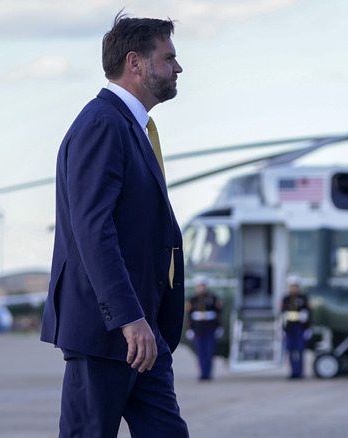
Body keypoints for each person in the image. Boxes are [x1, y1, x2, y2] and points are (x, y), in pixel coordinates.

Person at [40, 12, 188, 438]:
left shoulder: (130, 127)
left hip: (144, 334)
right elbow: (93, 231)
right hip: (109, 333)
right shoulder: (103, 125)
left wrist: (144, 322)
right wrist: (127, 318)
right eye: (168, 58)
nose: (178, 68)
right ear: (135, 63)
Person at [185, 275, 223, 380]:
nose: (201, 288)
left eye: (203, 286)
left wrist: (219, 327)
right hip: (198, 329)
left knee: (209, 351)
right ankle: (203, 373)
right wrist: (190, 329)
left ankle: (208, 373)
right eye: (199, 286)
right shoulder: (192, 300)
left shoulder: (212, 298)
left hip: (210, 328)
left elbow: (219, 314)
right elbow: (189, 316)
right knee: (200, 352)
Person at [280, 275, 311, 379]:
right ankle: (293, 372)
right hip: (290, 328)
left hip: (300, 327)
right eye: (292, 286)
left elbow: (308, 313)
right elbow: (282, 314)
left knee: (300, 351)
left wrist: (308, 328)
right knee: (291, 351)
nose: (293, 288)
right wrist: (282, 328)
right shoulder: (286, 299)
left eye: (295, 286)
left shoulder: (303, 298)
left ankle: (300, 372)